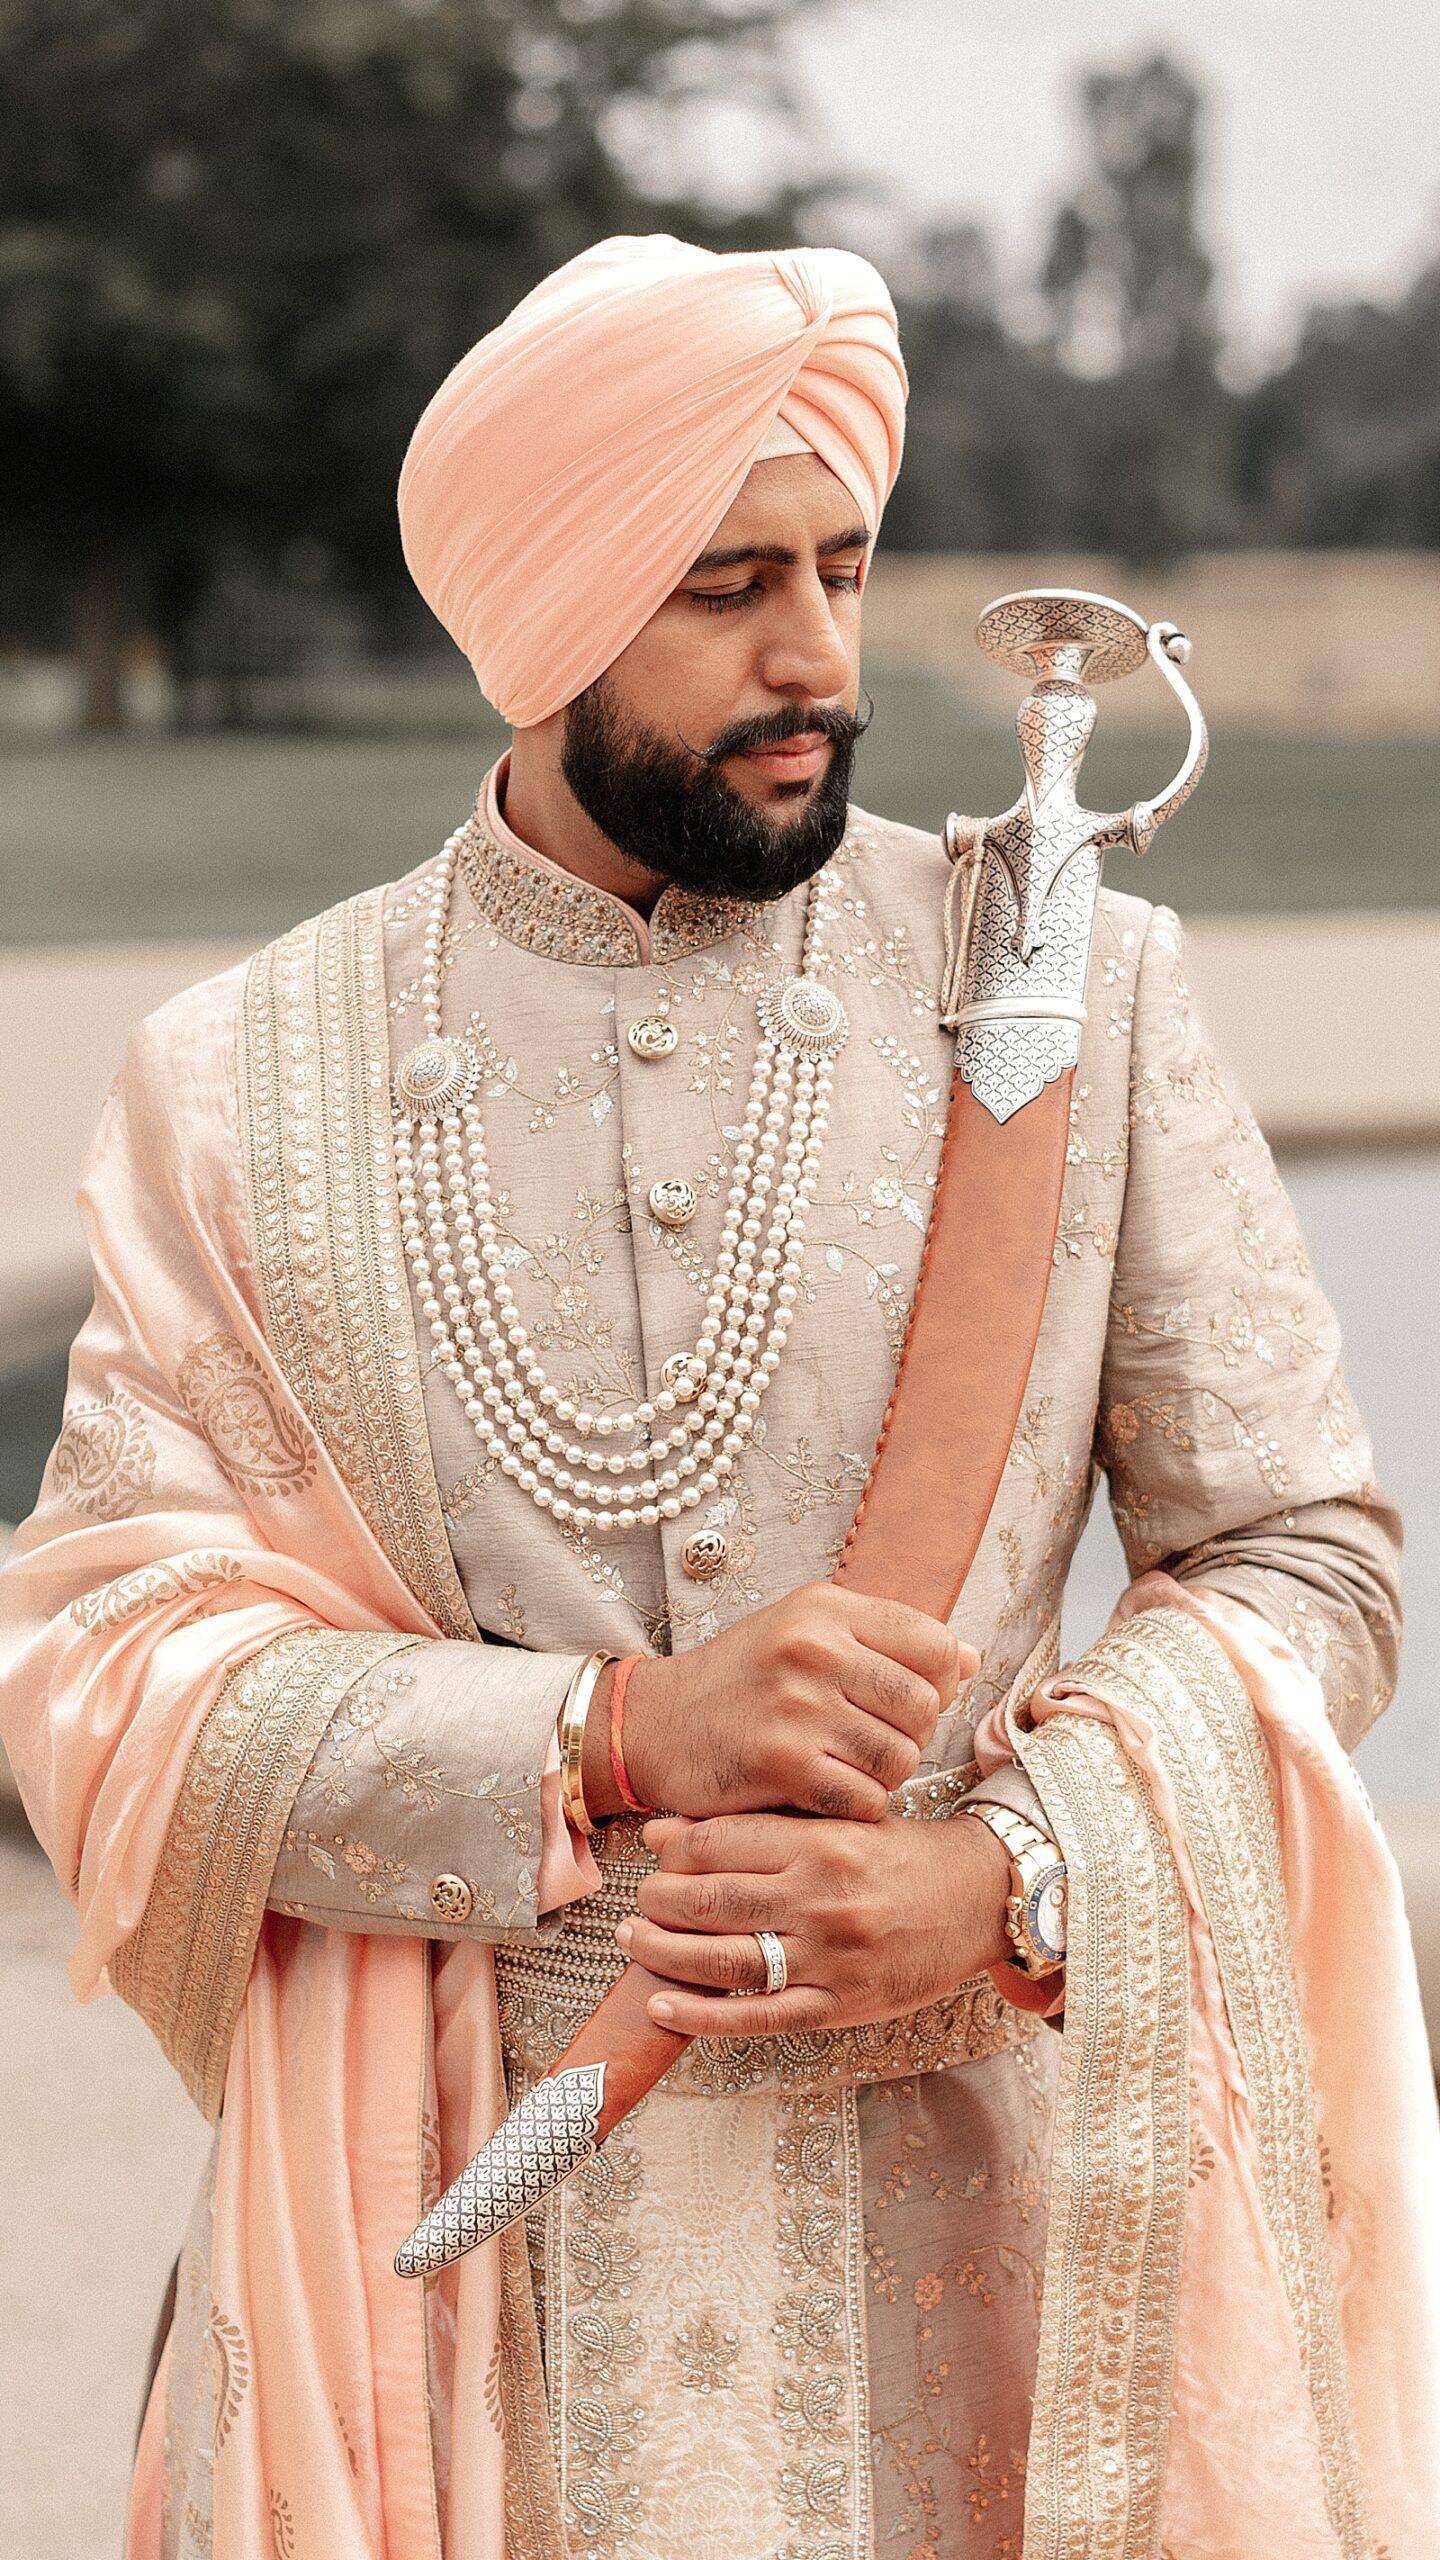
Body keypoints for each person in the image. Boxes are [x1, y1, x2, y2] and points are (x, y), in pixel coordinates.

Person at [1, 234, 1436, 2560]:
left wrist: (1006, 1880)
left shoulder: (1068, 998)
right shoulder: (246, 1084)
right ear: (553, 608)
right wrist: (604, 1737)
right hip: (481, 2285)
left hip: (1004, 2253)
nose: (819, 663)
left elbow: (1307, 1551)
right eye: (726, 585)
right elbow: (108, 1654)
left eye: (845, 572)